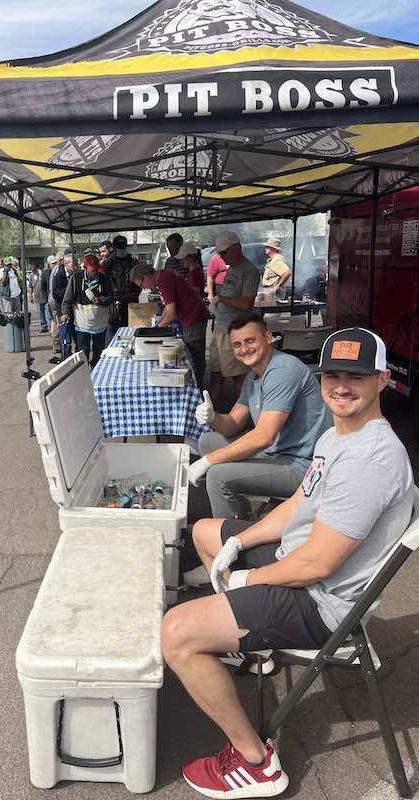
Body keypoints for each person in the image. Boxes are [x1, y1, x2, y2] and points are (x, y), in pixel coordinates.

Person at [161, 327, 413, 800]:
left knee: (176, 632)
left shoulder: (370, 458)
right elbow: (300, 502)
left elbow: (315, 565)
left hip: (322, 604)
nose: (341, 386)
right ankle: (243, 643)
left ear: (382, 379)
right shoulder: (338, 436)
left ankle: (255, 762)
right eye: (332, 375)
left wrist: (246, 577)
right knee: (204, 533)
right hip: (295, 562)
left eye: (356, 377)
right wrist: (240, 545)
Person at [186, 311, 330, 541]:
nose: (244, 349)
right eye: (237, 344)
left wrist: (207, 461)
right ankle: (242, 518)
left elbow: (264, 437)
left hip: (305, 464)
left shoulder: (282, 369)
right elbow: (232, 424)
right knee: (207, 440)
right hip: (278, 454)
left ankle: (226, 551)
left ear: (268, 337)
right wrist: (213, 416)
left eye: (250, 340)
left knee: (217, 475)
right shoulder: (254, 377)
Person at [130, 263, 208, 387]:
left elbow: (171, 313)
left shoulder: (164, 280)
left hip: (193, 317)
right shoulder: (163, 276)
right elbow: (168, 307)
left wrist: (155, 331)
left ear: (146, 276)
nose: (144, 288)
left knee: (194, 357)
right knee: (193, 355)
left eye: (141, 284)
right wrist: (158, 325)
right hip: (192, 316)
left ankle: (198, 390)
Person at [209, 230, 260, 403]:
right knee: (216, 373)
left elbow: (246, 303)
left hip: (234, 332)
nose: (222, 257)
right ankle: (213, 414)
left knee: (238, 378)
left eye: (224, 252)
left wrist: (221, 298)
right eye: (220, 253)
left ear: (237, 248)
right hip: (221, 328)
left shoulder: (249, 270)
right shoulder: (233, 268)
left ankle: (244, 423)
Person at [62, 254, 113, 368]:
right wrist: (65, 313)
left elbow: (110, 297)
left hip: (100, 323)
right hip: (82, 323)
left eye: (96, 270)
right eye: (92, 270)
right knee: (83, 350)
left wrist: (100, 300)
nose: (94, 273)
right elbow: (67, 299)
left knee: (99, 349)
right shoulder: (76, 279)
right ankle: (84, 372)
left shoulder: (104, 279)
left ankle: (96, 371)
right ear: (84, 267)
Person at [106, 234, 139, 343]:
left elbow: (140, 281)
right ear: (114, 248)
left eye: (123, 248)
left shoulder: (133, 262)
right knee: (114, 336)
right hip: (114, 306)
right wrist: (110, 300)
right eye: (119, 248)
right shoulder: (107, 263)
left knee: (132, 334)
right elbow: (103, 284)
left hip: (131, 304)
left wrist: (133, 295)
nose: (121, 250)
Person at [54, 249, 77, 359]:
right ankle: (65, 358)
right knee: (65, 338)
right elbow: (55, 293)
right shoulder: (59, 274)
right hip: (63, 312)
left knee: (75, 336)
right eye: (73, 265)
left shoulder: (75, 274)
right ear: (67, 264)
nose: (75, 267)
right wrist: (69, 290)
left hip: (74, 311)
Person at [29, 264, 49, 333]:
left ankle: (49, 325)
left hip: (45, 296)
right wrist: (31, 296)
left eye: (33, 268)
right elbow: (31, 286)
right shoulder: (31, 275)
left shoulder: (42, 273)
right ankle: (44, 326)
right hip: (37, 297)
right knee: (40, 313)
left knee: (47, 312)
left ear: (36, 268)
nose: (32, 270)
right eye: (31, 269)